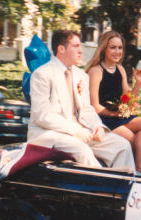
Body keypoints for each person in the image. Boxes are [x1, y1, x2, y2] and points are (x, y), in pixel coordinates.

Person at [27, 29, 135, 172]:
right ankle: (101, 190)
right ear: (61, 49)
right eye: (76, 46)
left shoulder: (80, 75)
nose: (81, 51)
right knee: (82, 150)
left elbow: (86, 108)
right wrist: (75, 131)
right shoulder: (42, 74)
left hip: (81, 131)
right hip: (50, 133)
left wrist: (97, 126)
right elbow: (42, 116)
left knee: (122, 145)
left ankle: (126, 188)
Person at [86, 31, 141, 172]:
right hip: (103, 119)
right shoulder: (96, 71)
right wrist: (113, 114)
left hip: (119, 116)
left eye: (120, 48)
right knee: (134, 140)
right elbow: (94, 105)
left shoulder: (121, 69)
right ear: (104, 48)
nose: (117, 52)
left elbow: (126, 100)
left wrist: (138, 84)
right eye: (113, 47)